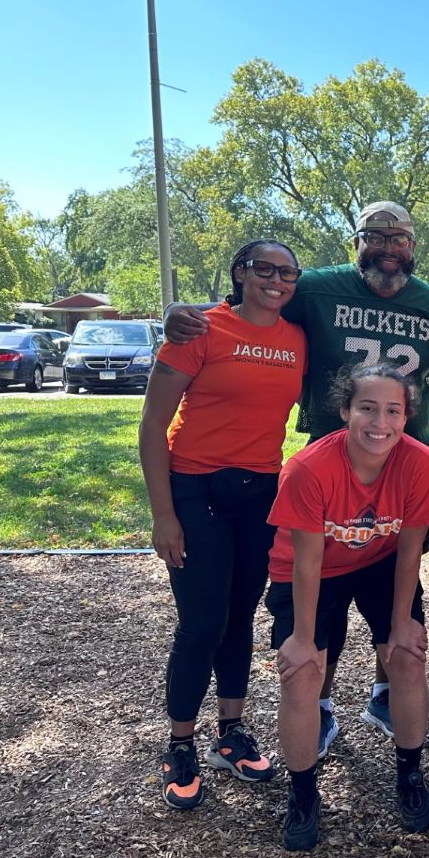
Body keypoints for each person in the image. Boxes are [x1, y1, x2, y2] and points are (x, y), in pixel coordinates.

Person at [165, 201, 429, 758]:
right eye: (376, 235)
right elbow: (253, 304)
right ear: (356, 241)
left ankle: (382, 692)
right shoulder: (317, 288)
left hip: (401, 466)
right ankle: (318, 707)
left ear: (414, 246)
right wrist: (186, 313)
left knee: (393, 579)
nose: (388, 246)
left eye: (399, 237)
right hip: (328, 462)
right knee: (323, 584)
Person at [140, 240, 308, 811]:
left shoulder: (297, 336)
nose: (277, 281)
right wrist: (164, 513)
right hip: (196, 490)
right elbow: (151, 425)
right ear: (240, 273)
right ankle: (179, 744)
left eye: (287, 273)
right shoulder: (198, 330)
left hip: (259, 492)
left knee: (239, 616)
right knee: (201, 623)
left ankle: (229, 734)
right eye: (265, 269)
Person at [264, 364, 429, 851]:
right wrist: (304, 640)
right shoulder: (309, 467)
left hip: (380, 559)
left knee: (407, 656)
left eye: (393, 411)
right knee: (303, 672)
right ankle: (303, 791)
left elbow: (411, 549)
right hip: (311, 569)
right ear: (345, 410)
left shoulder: (421, 462)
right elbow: (307, 561)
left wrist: (401, 623)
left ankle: (409, 775)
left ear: (407, 416)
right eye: (367, 407)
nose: (380, 422)